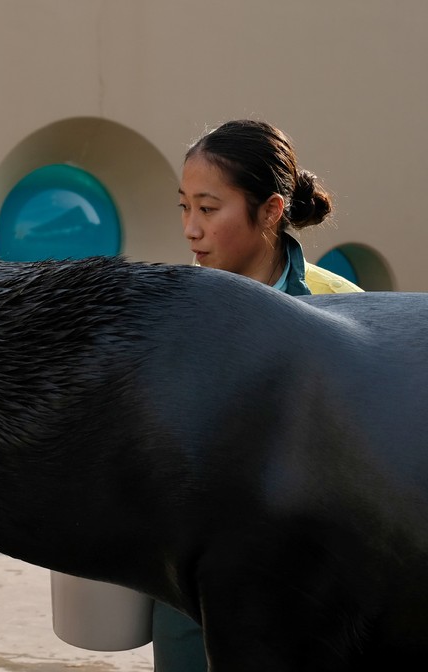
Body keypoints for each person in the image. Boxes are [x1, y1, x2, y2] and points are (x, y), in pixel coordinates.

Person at [153, 119, 363, 671]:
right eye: (184, 207)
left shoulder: (341, 308)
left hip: (307, 596)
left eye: (208, 208)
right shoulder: (173, 312)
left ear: (269, 210)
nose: (190, 230)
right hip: (191, 601)